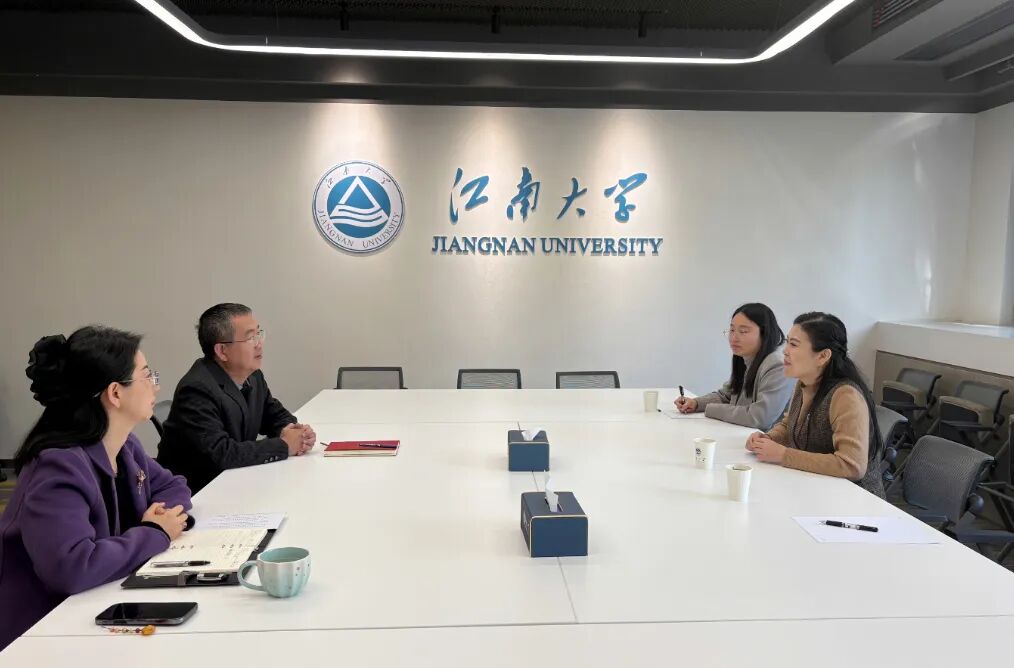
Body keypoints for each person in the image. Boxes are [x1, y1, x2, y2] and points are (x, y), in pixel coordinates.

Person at [0, 327, 192, 651]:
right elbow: (71, 568)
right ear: (115, 393)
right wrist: (154, 532)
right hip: (37, 632)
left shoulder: (124, 445)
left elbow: (174, 486)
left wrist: (159, 518)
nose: (155, 385)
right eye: (147, 376)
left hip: (96, 603)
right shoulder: (58, 466)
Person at [156, 303, 315, 493]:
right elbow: (222, 453)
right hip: (199, 494)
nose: (259, 343)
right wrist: (284, 445)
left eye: (259, 334)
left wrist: (296, 433)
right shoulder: (196, 389)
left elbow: (274, 414)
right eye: (250, 337)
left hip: (235, 482)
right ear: (222, 351)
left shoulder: (253, 376)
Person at [745, 312, 885, 497]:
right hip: (816, 490)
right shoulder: (804, 382)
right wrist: (768, 439)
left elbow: (852, 466)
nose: (785, 351)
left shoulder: (846, 396)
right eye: (787, 342)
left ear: (823, 356)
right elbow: (790, 425)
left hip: (854, 501)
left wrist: (783, 455)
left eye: (794, 344)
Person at [675, 303, 795, 430]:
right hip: (742, 434)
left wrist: (710, 409)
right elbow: (726, 395)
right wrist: (696, 403)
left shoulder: (778, 365)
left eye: (743, 331)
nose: (734, 338)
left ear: (764, 333)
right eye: (732, 330)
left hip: (765, 439)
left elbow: (759, 417)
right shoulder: (746, 356)